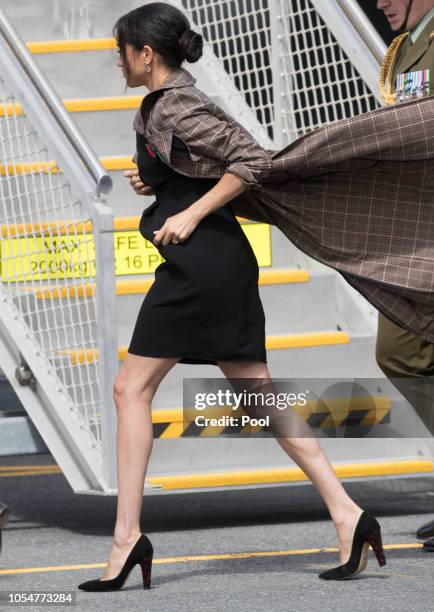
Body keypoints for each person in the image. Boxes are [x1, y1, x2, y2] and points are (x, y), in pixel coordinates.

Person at [77, 2, 389, 591]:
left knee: (130, 388)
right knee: (257, 396)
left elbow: (252, 160)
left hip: (202, 266)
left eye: (121, 50)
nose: (116, 61)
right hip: (208, 265)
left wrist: (190, 213)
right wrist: (159, 178)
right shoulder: (161, 108)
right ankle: (348, 515)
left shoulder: (179, 104)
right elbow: (199, 162)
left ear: (146, 54)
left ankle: (126, 541)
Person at [377, 0, 434, 553]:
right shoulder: (405, 48)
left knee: (402, 350)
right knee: (401, 351)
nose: (380, 3)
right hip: (415, 225)